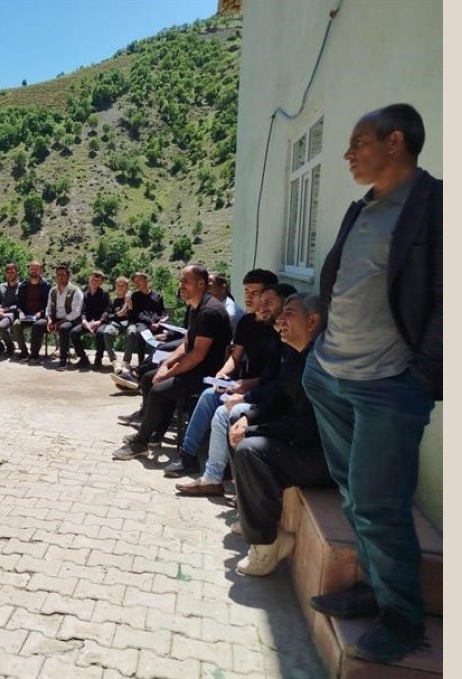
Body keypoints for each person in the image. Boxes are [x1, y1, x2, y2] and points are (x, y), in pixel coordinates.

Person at [301, 103, 442, 664]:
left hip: (387, 384)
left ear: (395, 142)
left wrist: (422, 376)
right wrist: (312, 327)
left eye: (358, 142)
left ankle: (404, 619)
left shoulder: (437, 208)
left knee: (382, 506)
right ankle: (370, 589)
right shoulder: (363, 208)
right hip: (331, 374)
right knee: (356, 496)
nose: (348, 154)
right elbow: (345, 284)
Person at [227, 293, 332, 576]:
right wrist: (248, 418)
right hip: (303, 441)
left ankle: (265, 546)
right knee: (235, 420)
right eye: (281, 313)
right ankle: (252, 517)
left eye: (289, 313)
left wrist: (255, 428)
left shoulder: (323, 365)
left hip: (327, 459)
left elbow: (306, 426)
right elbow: (279, 400)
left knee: (251, 450)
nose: (280, 320)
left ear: (312, 321)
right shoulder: (296, 356)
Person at [167, 281, 294, 481]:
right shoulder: (246, 322)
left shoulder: (282, 333)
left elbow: (277, 380)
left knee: (225, 410)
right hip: (245, 385)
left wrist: (246, 389)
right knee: (209, 395)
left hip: (260, 392)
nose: (254, 300)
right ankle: (188, 456)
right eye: (247, 292)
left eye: (259, 295)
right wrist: (223, 374)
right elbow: (235, 358)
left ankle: (218, 474)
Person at [113, 264, 231, 460]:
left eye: (186, 281)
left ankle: (141, 442)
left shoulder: (210, 311)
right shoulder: (196, 307)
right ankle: (154, 434)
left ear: (201, 284)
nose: (181, 285)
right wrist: (167, 364)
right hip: (196, 365)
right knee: (149, 378)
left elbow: (198, 354)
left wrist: (168, 373)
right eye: (181, 280)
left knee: (160, 389)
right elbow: (186, 344)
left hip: (207, 374)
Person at [117, 272, 165, 373]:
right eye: (135, 282)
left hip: (157, 324)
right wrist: (150, 323)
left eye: (139, 280)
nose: (136, 283)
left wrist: (160, 322)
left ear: (146, 280)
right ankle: (142, 364)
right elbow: (137, 313)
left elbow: (162, 312)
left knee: (166, 334)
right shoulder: (135, 296)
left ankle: (158, 363)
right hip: (142, 323)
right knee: (142, 333)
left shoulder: (157, 295)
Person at [41, 263, 83, 369]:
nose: (60, 277)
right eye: (58, 275)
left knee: (63, 329)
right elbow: (48, 308)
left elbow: (76, 312)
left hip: (70, 320)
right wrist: (50, 320)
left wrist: (59, 323)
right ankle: (34, 355)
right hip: (55, 318)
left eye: (63, 275)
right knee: (38, 325)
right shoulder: (53, 290)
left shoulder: (75, 291)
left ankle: (63, 359)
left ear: (68, 276)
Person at [69, 271, 111, 370]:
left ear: (101, 282)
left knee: (101, 333)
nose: (94, 282)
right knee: (74, 333)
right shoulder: (84, 294)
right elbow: (82, 310)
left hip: (100, 323)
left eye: (97, 280)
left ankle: (98, 359)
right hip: (87, 323)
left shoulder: (105, 294)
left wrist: (100, 321)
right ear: (89, 279)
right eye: (93, 279)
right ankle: (83, 358)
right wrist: (83, 320)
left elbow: (107, 310)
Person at [14, 261, 51, 362]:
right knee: (16, 324)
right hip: (27, 315)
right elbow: (19, 303)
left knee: (37, 325)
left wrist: (41, 313)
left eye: (37, 269)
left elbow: (50, 304)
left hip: (42, 316)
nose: (34, 271)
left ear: (41, 271)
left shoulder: (47, 285)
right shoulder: (23, 285)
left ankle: (34, 354)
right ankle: (24, 352)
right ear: (29, 270)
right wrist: (20, 312)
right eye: (32, 268)